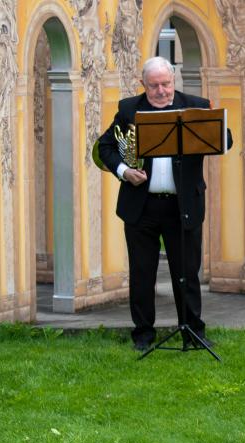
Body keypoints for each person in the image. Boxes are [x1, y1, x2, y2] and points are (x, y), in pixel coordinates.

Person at [98, 56, 232, 351]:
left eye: (166, 84)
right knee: (142, 272)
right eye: (154, 85)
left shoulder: (196, 105)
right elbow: (105, 147)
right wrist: (124, 172)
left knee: (186, 271)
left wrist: (211, 126)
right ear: (143, 84)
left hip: (182, 205)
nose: (161, 91)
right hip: (141, 205)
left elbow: (227, 140)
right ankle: (143, 336)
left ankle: (193, 333)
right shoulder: (129, 109)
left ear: (174, 79)